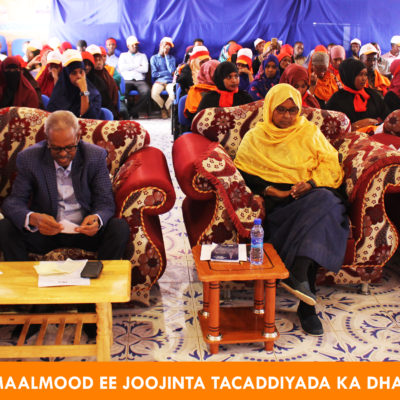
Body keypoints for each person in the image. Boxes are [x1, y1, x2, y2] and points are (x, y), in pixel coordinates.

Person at [234, 83, 349, 336]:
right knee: (323, 213)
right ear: (269, 109)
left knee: (327, 203)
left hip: (312, 191)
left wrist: (311, 184)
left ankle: (299, 275)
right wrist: (271, 191)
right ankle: (306, 304)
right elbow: (243, 174)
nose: (287, 116)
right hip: (281, 202)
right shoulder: (255, 137)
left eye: (292, 110)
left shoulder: (309, 131)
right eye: (281, 110)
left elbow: (331, 162)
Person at [0, 109, 130, 263]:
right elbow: (14, 202)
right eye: (56, 148)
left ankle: (102, 275)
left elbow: (105, 201)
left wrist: (97, 218)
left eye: (69, 147)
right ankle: (22, 277)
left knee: (119, 228)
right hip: (45, 233)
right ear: (47, 140)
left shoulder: (94, 156)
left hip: (85, 232)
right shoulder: (30, 158)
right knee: (5, 228)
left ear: (78, 137)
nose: (63, 154)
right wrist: (34, 219)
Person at [326, 58, 390, 131]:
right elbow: (330, 127)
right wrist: (353, 127)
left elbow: (387, 116)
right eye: (360, 75)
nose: (364, 78)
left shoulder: (372, 95)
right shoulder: (336, 100)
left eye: (365, 74)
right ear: (349, 76)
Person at [47, 49, 101, 119]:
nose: (79, 76)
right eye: (74, 73)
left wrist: (84, 91)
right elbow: (52, 118)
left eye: (81, 72)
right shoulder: (59, 93)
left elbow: (88, 120)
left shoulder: (94, 94)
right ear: (66, 76)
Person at [118, 35, 150, 119]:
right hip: (127, 80)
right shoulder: (123, 55)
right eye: (132, 45)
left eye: (136, 44)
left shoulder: (142, 56)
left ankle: (131, 112)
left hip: (139, 80)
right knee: (122, 92)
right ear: (128, 46)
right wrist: (137, 65)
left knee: (146, 92)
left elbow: (145, 69)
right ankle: (127, 111)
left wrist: (129, 67)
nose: (135, 46)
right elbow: (122, 68)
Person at [86, 45, 119, 119]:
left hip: (110, 109)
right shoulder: (89, 78)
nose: (98, 63)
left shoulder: (105, 73)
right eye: (95, 60)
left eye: (100, 59)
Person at [150, 36, 176, 118]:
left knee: (173, 94)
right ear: (160, 45)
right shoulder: (154, 58)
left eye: (169, 46)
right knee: (154, 94)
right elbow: (154, 74)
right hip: (159, 81)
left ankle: (166, 107)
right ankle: (163, 108)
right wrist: (167, 73)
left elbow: (172, 71)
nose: (167, 48)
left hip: (170, 81)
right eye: (165, 45)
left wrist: (166, 56)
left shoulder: (172, 58)